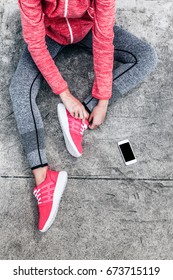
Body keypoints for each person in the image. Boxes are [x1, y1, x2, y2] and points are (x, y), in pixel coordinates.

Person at [9, 0, 157, 232]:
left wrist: (102, 99)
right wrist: (64, 94)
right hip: (49, 34)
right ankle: (45, 180)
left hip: (87, 28)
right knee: (19, 89)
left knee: (146, 57)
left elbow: (104, 36)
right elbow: (36, 43)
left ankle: (79, 117)